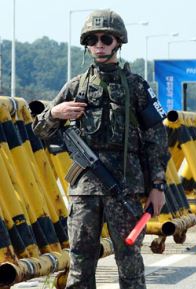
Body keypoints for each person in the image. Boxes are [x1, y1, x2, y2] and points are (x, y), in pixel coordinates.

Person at [32, 9, 169, 289]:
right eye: (93, 40)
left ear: (118, 42)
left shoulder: (136, 86)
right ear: (86, 44)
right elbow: (41, 131)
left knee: (130, 263)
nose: (99, 45)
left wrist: (158, 186)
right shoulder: (76, 86)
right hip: (85, 190)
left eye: (106, 38)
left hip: (125, 188)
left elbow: (157, 138)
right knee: (80, 265)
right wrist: (55, 113)